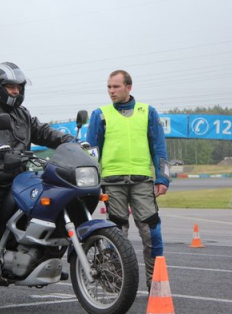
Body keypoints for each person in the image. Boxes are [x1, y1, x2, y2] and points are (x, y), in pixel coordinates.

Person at [0, 62, 75, 314]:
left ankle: (44, 257)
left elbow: (45, 132)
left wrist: (71, 141)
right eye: (10, 86)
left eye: (19, 87)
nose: (16, 91)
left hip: (19, 179)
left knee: (51, 208)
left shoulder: (23, 115)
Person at [86, 69, 170, 291]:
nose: (111, 91)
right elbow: (91, 152)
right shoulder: (99, 115)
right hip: (112, 184)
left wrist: (162, 178)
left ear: (128, 87)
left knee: (151, 233)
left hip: (142, 182)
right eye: (109, 87)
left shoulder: (148, 112)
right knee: (117, 233)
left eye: (116, 87)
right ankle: (115, 281)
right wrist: (91, 182)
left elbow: (159, 147)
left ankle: (156, 283)